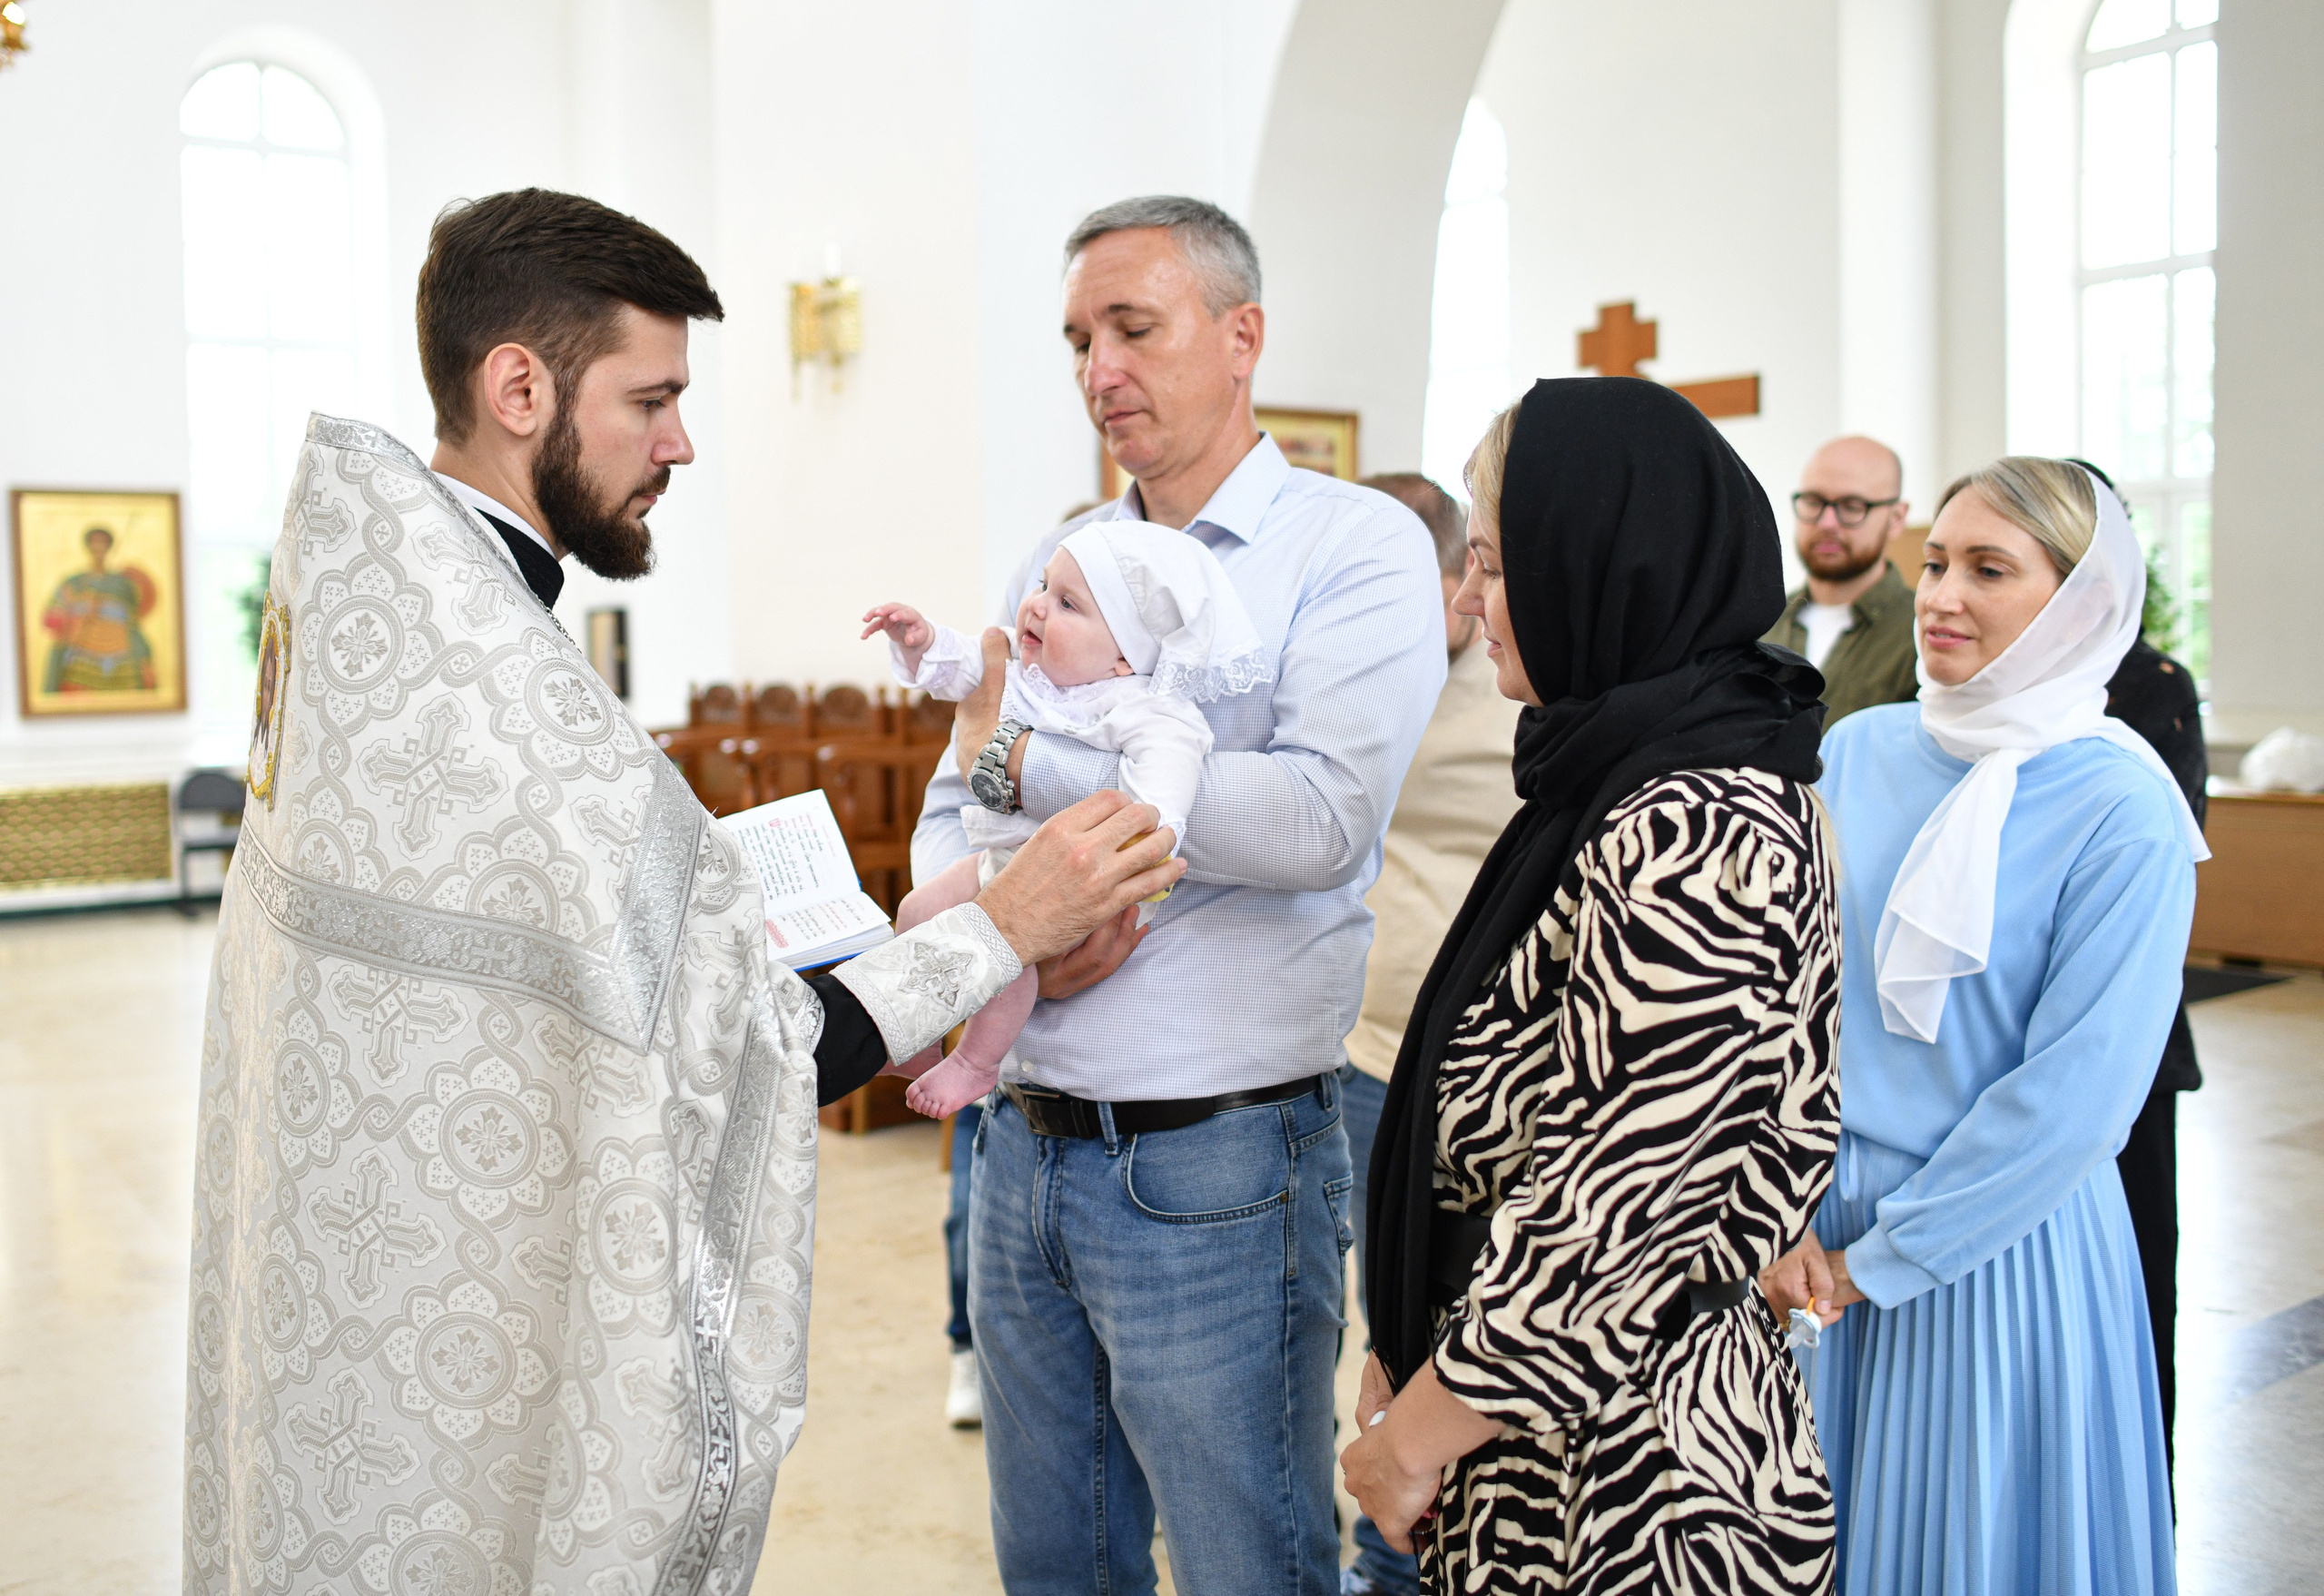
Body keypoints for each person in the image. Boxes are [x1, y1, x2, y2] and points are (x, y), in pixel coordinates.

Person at [182, 188, 1183, 1596]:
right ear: (520, 385)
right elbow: (744, 1057)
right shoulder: (501, 695)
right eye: (650, 400)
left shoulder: (389, 641)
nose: (681, 441)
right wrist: (1004, 925)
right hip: (454, 1369)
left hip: (367, 1335)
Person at [918, 195, 1444, 1595]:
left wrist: (1043, 774)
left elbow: (1320, 818)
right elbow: (951, 786)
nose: (1100, 371)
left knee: (1245, 1560)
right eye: (1080, 340)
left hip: (1213, 1161)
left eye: (1134, 329)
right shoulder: (1067, 553)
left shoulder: (1353, 546)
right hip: (1020, 1146)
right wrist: (999, 919)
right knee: (1055, 1561)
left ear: (1242, 334)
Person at [1343, 378, 1841, 1594]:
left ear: (1606, 566)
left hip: (1638, 1477)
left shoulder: (1702, 821)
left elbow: (1628, 1199)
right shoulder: (1618, 772)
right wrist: (1413, 1339)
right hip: (1530, 1419)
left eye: (1498, 566)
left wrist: (1414, 1438)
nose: (1468, 601)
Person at [1760, 458, 2209, 1595]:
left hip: (1996, 1250)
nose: (1942, 595)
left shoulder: (2124, 804)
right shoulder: (1856, 751)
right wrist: (1776, 1213)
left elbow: (2073, 1100)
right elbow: (1783, 997)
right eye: (1938, 563)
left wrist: (1877, 1262)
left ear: (2079, 602)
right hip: (1806, 1235)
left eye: (1989, 570)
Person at [867, 522, 1269, 1119]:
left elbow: (1158, 809)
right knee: (918, 911)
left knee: (1009, 961)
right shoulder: (1030, 670)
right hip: (1001, 863)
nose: (1036, 606)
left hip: (1072, 883)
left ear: (1123, 657)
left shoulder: (1150, 713)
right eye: (1044, 585)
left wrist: (1140, 837)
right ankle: (920, 1045)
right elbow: (963, 664)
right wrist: (921, 640)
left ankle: (976, 1064)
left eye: (1068, 603)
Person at [1336, 470, 1521, 1596]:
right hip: (1368, 1050)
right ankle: (1385, 1564)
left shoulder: (1520, 686)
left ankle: (1445, 1552)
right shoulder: (1349, 680)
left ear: (1461, 576)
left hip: (1490, 1069)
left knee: (1487, 1323)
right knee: (1391, 1324)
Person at [1763, 436, 1918, 722]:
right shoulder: (1760, 625)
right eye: (1813, 501)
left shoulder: (1922, 633)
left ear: (1896, 518)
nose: (1827, 523)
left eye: (1852, 506)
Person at [42, 525, 159, 692]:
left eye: (102, 542)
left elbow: (134, 615)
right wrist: (79, 613)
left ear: (109, 547)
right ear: (88, 547)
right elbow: (52, 615)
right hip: (82, 647)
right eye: (94, 542)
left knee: (142, 657)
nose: (98, 547)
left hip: (120, 646)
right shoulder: (74, 582)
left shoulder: (122, 583)